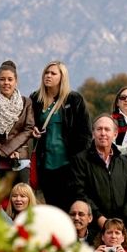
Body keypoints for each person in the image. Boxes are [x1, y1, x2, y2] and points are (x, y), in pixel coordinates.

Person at [31, 61, 92, 210]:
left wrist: (78, 157)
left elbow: (85, 133)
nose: (48, 76)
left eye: (53, 73)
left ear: (62, 77)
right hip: (45, 165)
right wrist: (33, 130)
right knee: (51, 208)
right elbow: (27, 125)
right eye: (46, 72)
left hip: (68, 165)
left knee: (70, 207)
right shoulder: (35, 99)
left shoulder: (74, 99)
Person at [70, 114, 127, 228]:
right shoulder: (80, 160)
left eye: (107, 129)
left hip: (121, 227)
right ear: (93, 133)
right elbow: (79, 193)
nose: (103, 133)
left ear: (115, 134)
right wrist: (99, 218)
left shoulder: (125, 163)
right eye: (99, 129)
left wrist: (121, 219)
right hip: (92, 226)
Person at [0, 60, 34, 186]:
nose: (6, 83)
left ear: (16, 81)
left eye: (10, 79)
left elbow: (28, 129)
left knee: (21, 199)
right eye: (2, 79)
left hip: (20, 157)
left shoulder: (26, 102)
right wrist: (3, 151)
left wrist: (9, 149)